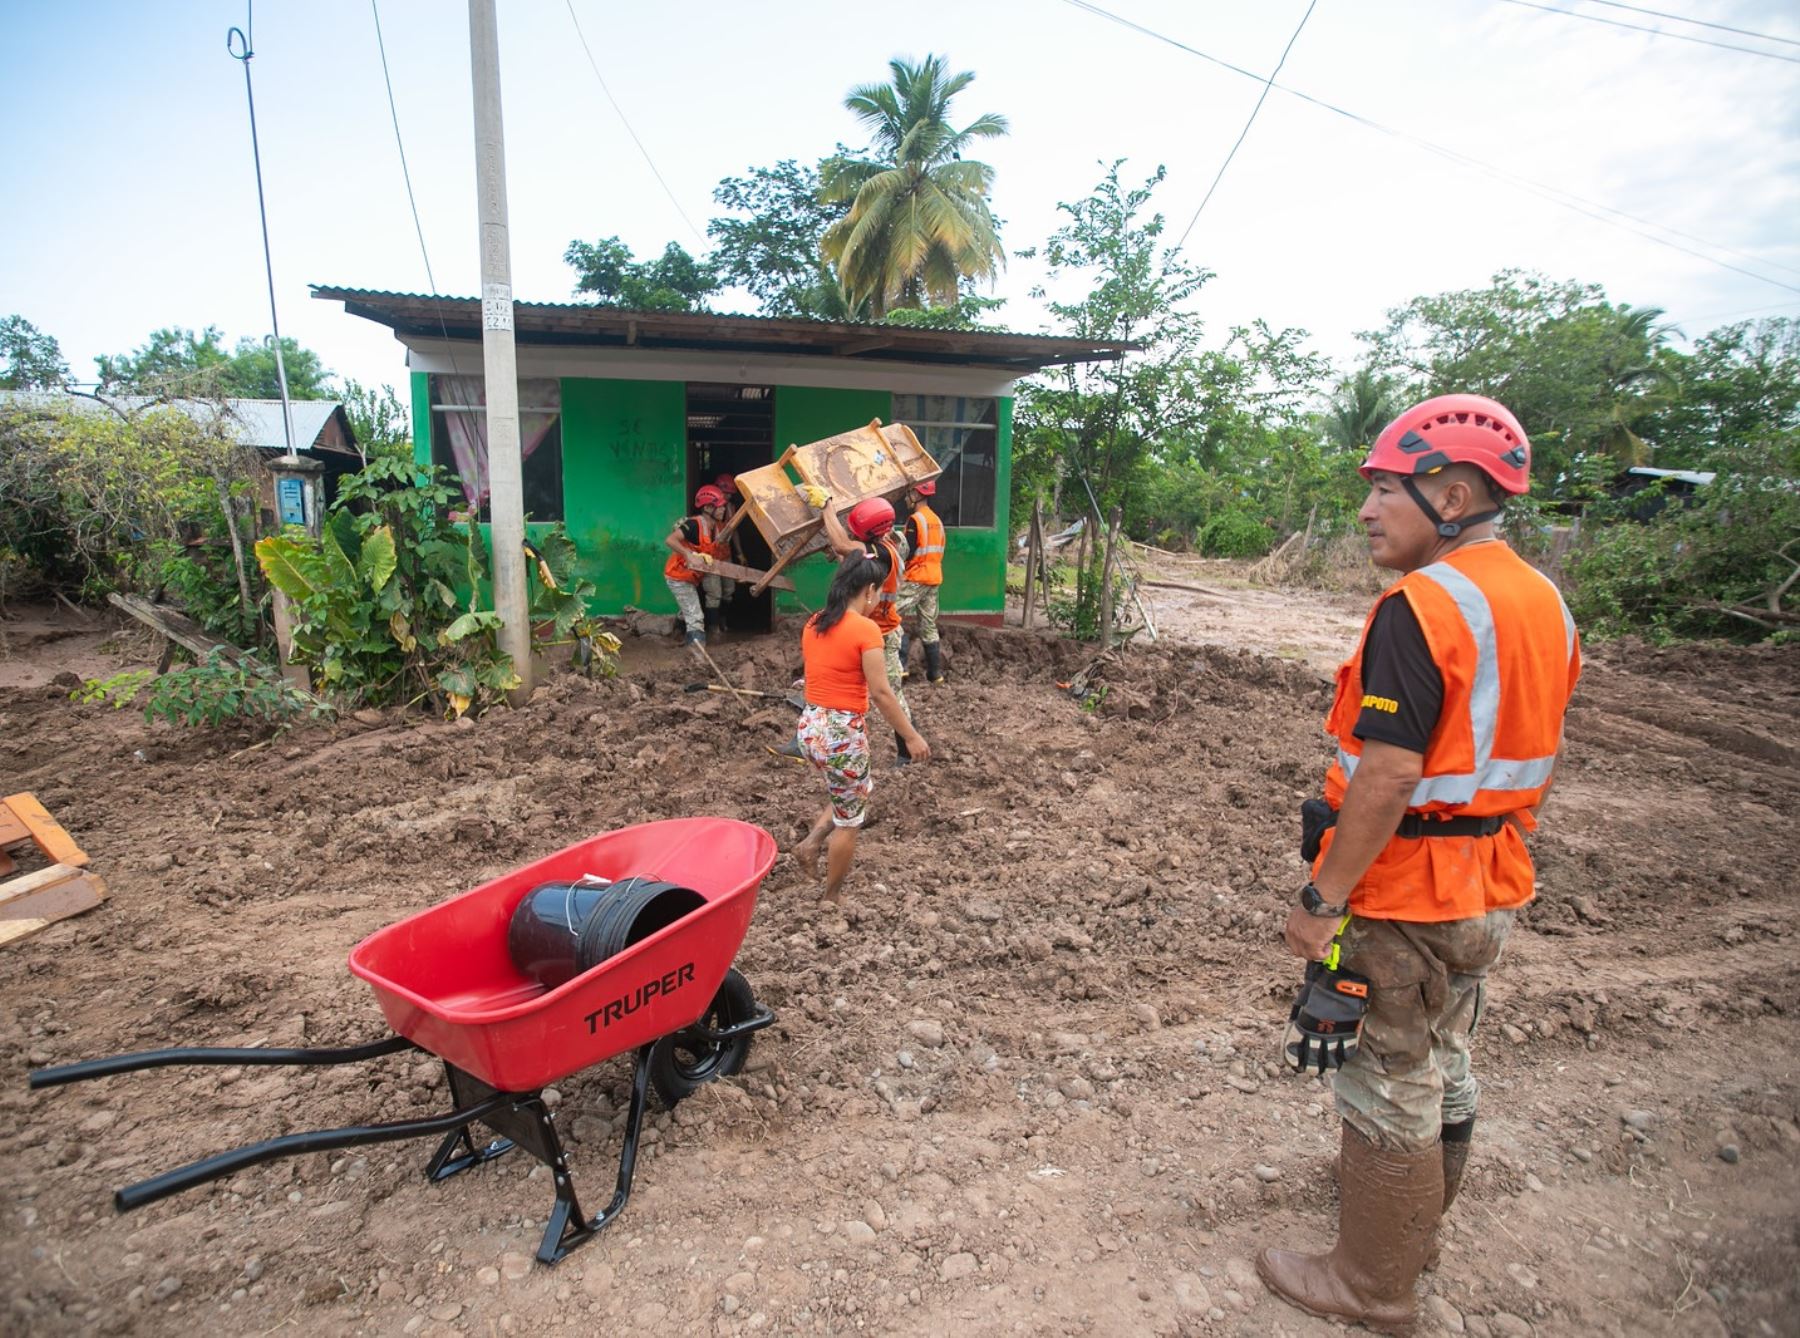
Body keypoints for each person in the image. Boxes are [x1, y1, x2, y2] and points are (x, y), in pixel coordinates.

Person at [1257, 394, 1582, 1333]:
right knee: (1446, 1054)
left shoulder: (1421, 607)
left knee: (1388, 1071)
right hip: (1491, 882)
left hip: (1407, 887)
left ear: (1451, 490)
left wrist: (1322, 898)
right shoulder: (1544, 603)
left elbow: (1391, 772)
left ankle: (1374, 1284)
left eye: (1383, 491)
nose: (1366, 511)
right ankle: (1413, 1232)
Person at [792, 550, 930, 901]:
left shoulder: (815, 622)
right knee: (850, 820)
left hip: (810, 727)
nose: (878, 601)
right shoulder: (867, 630)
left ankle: (809, 845)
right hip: (841, 734)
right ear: (868, 590)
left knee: (853, 790)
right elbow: (882, 693)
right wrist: (911, 736)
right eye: (879, 593)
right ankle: (831, 898)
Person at [814, 494, 917, 765]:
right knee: (831, 678)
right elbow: (845, 553)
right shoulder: (885, 546)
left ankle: (908, 750)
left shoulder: (879, 552)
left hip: (880, 634)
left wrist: (827, 508)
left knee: (890, 693)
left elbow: (841, 544)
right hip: (865, 630)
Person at [663, 485, 729, 645]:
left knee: (690, 606)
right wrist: (688, 555)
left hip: (693, 576)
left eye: (724, 506)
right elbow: (670, 540)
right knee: (695, 617)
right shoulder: (694, 524)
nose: (723, 510)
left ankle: (677, 632)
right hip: (678, 576)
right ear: (707, 507)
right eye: (720, 507)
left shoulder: (716, 528)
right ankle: (696, 657)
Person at [897, 479, 947, 684]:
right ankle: (935, 674)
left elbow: (907, 551)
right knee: (928, 624)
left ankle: (900, 667)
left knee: (890, 614)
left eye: (909, 494)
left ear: (917, 495)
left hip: (917, 577)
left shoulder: (916, 520)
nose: (907, 498)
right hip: (934, 578)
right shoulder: (937, 521)